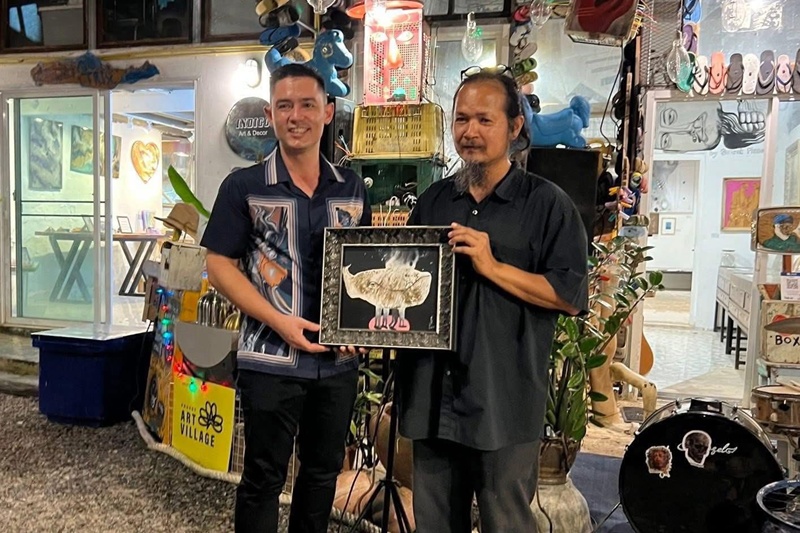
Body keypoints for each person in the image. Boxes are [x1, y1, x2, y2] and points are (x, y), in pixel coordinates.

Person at [395, 69, 589, 533]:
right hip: (432, 396)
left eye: (485, 120)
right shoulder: (434, 201)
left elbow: (568, 295)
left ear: (515, 126)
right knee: (435, 523)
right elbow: (404, 282)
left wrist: (492, 266)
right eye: (462, 119)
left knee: (507, 522)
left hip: (504, 400)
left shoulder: (548, 205)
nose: (470, 132)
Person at [200, 63, 371, 533]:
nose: (296, 116)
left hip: (337, 363)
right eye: (285, 106)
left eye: (307, 105)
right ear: (271, 115)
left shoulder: (352, 188)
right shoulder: (244, 186)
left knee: (321, 475)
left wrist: (360, 325)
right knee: (262, 478)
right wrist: (278, 320)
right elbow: (219, 265)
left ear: (328, 111)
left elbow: (365, 265)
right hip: (270, 359)